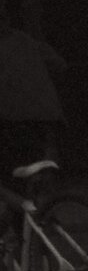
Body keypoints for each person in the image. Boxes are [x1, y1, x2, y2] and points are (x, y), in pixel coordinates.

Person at [0, 17, 68, 183]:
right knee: (45, 153)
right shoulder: (27, 40)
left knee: (16, 161)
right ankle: (45, 192)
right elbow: (60, 66)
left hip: (12, 115)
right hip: (47, 112)